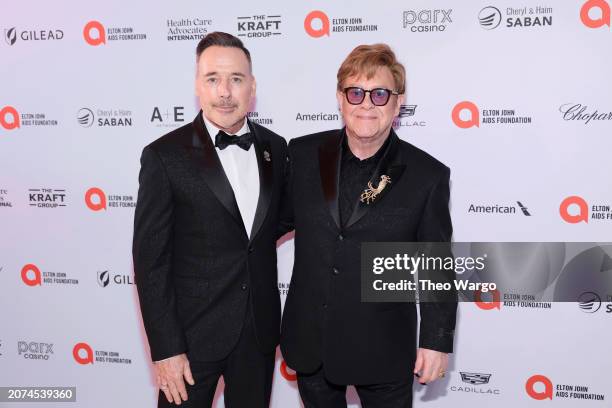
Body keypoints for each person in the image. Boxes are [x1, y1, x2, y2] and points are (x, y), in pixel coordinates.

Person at [280, 43, 457, 407]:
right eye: (356, 92)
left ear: (398, 103)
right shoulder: (301, 154)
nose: (366, 104)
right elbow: (266, 226)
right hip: (312, 343)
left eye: (379, 94)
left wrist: (436, 341)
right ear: (340, 98)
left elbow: (436, 265)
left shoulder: (427, 175)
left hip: (384, 350)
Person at [133, 31, 287, 408]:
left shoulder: (277, 148)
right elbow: (150, 262)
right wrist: (166, 349)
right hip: (189, 340)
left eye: (236, 79)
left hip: (258, 335)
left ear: (252, 87)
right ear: (197, 87)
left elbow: (277, 226)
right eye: (213, 79)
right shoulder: (164, 156)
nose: (225, 92)